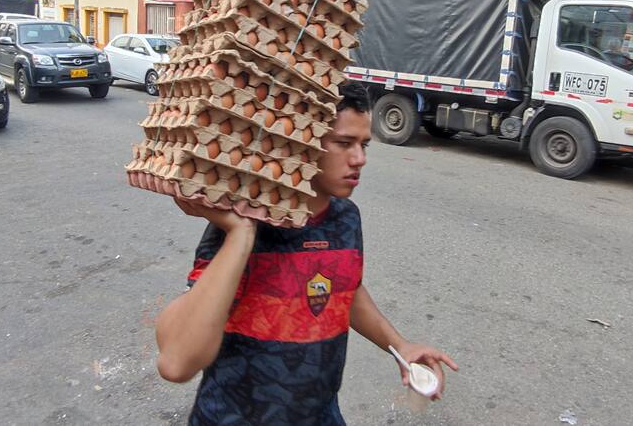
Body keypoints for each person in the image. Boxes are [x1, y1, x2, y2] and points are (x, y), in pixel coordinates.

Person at [151, 83, 457, 425]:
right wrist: (240, 235)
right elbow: (177, 362)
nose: (360, 159)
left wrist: (400, 346)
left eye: (364, 144)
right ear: (305, 140)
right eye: (344, 143)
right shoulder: (246, 224)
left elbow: (340, 287)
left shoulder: (345, 217)